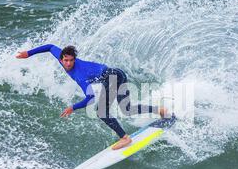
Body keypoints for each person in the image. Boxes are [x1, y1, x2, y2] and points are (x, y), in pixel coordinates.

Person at [16, 44, 167, 150]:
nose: (68, 63)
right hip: (118, 73)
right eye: (65, 60)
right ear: (61, 59)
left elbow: (90, 98)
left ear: (74, 59)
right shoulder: (61, 57)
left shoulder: (80, 75)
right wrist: (28, 53)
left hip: (113, 76)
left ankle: (125, 138)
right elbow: (49, 47)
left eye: (71, 60)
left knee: (100, 111)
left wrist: (72, 108)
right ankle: (159, 110)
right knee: (127, 109)